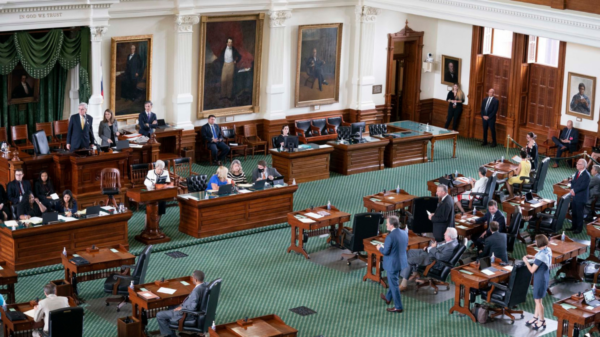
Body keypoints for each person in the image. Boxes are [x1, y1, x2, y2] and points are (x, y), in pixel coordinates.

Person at [156, 270, 208, 337]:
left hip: (187, 314)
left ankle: (170, 335)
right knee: (172, 306)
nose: (192, 278)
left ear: (195, 279)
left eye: (192, 277)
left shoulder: (196, 291)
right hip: (195, 310)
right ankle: (172, 331)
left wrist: (182, 307)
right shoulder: (205, 286)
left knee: (160, 315)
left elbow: (193, 307)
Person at [377, 216, 408, 313]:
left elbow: (385, 252)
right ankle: (388, 297)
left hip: (392, 264)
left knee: (394, 285)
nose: (385, 224)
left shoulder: (390, 236)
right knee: (393, 281)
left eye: (387, 223)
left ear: (391, 225)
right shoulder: (404, 233)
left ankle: (398, 307)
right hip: (401, 262)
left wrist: (379, 248)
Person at [523, 234, 551, 331]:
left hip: (539, 279)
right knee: (539, 300)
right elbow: (541, 258)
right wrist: (533, 257)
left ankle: (542, 320)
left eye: (535, 241)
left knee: (537, 301)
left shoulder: (540, 256)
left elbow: (531, 270)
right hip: (545, 276)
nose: (534, 243)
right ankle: (535, 317)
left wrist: (526, 261)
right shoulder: (548, 250)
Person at [568, 158, 590, 234]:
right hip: (575, 196)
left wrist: (574, 191)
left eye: (578, 164)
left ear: (583, 166)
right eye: (577, 163)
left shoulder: (586, 175)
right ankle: (573, 226)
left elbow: (583, 186)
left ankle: (579, 229)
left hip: (581, 197)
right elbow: (574, 182)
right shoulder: (578, 172)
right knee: (574, 212)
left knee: (579, 213)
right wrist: (572, 189)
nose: (576, 165)